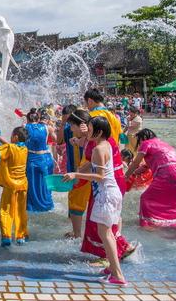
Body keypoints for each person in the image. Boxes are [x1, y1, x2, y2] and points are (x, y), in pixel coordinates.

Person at [63, 117, 127, 286]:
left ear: (99, 132)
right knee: (107, 233)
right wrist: (77, 170)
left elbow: (99, 176)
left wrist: (76, 175)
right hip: (112, 193)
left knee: (105, 234)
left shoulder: (98, 149)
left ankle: (118, 276)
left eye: (90, 130)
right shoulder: (106, 145)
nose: (87, 132)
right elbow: (93, 164)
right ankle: (112, 268)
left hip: (106, 195)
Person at [125, 129, 176, 228]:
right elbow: (152, 163)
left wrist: (125, 176)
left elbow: (135, 163)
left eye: (139, 141)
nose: (139, 143)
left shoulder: (146, 143)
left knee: (145, 198)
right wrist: (136, 171)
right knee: (173, 201)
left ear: (143, 138)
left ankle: (148, 225)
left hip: (167, 175)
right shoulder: (163, 144)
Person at [63, 108, 91, 238]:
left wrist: (77, 174)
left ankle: (77, 235)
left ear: (82, 125)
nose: (71, 129)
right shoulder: (90, 137)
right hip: (89, 176)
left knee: (75, 203)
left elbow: (94, 161)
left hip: (89, 177)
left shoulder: (93, 140)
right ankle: (78, 234)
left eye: (73, 126)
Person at [24, 108, 55, 212]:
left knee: (32, 184)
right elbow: (55, 139)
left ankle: (32, 207)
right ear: (38, 119)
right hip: (44, 159)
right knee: (45, 184)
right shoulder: (47, 128)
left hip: (31, 159)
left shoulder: (24, 127)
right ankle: (47, 205)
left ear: (28, 119)